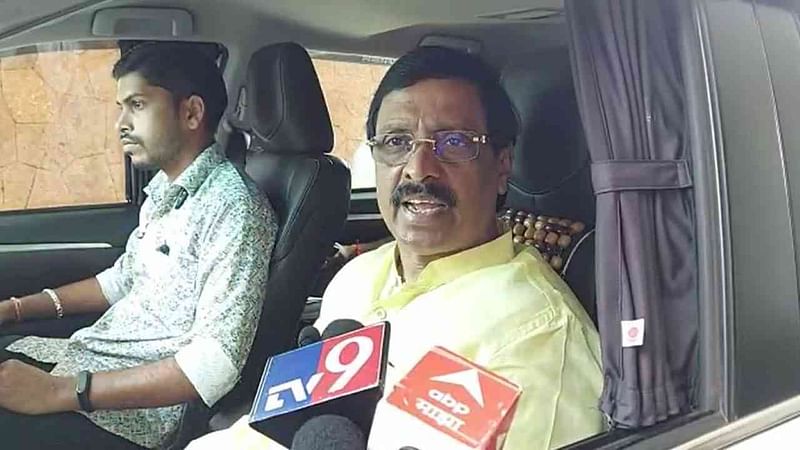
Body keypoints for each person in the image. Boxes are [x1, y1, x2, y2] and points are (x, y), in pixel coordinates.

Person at [187, 45, 603, 450]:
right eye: (396, 142)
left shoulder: (538, 341)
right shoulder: (356, 278)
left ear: (501, 165)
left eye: (455, 142)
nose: (418, 169)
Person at [0, 42, 277, 449]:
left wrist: (62, 391)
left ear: (191, 113)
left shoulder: (235, 206)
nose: (121, 124)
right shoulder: (165, 190)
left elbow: (214, 364)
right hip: (91, 359)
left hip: (130, 416)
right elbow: (123, 280)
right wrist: (15, 309)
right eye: (121, 107)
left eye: (137, 105)